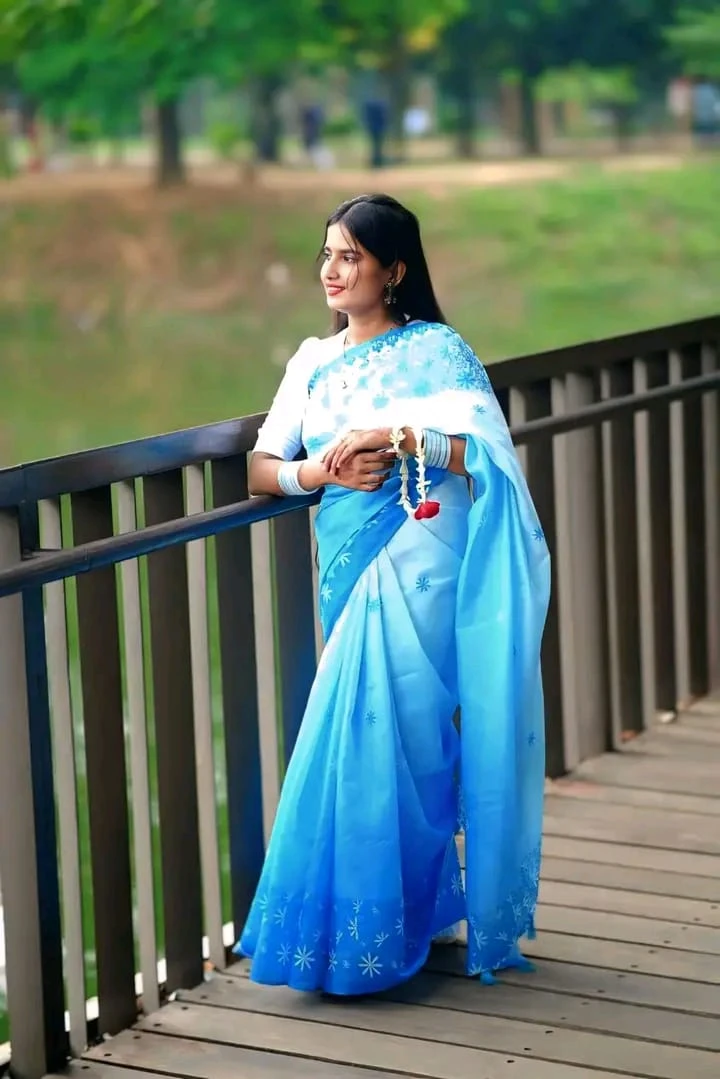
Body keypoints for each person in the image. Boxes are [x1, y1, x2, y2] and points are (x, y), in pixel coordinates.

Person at [234, 193, 551, 995]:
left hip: (423, 567)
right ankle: (360, 931)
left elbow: (484, 458)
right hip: (351, 568)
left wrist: (403, 438)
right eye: (327, 254)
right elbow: (262, 468)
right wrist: (320, 471)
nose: (333, 270)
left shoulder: (437, 351)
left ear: (394, 269)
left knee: (412, 740)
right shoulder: (312, 361)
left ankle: (401, 921)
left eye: (351, 256)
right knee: (354, 736)